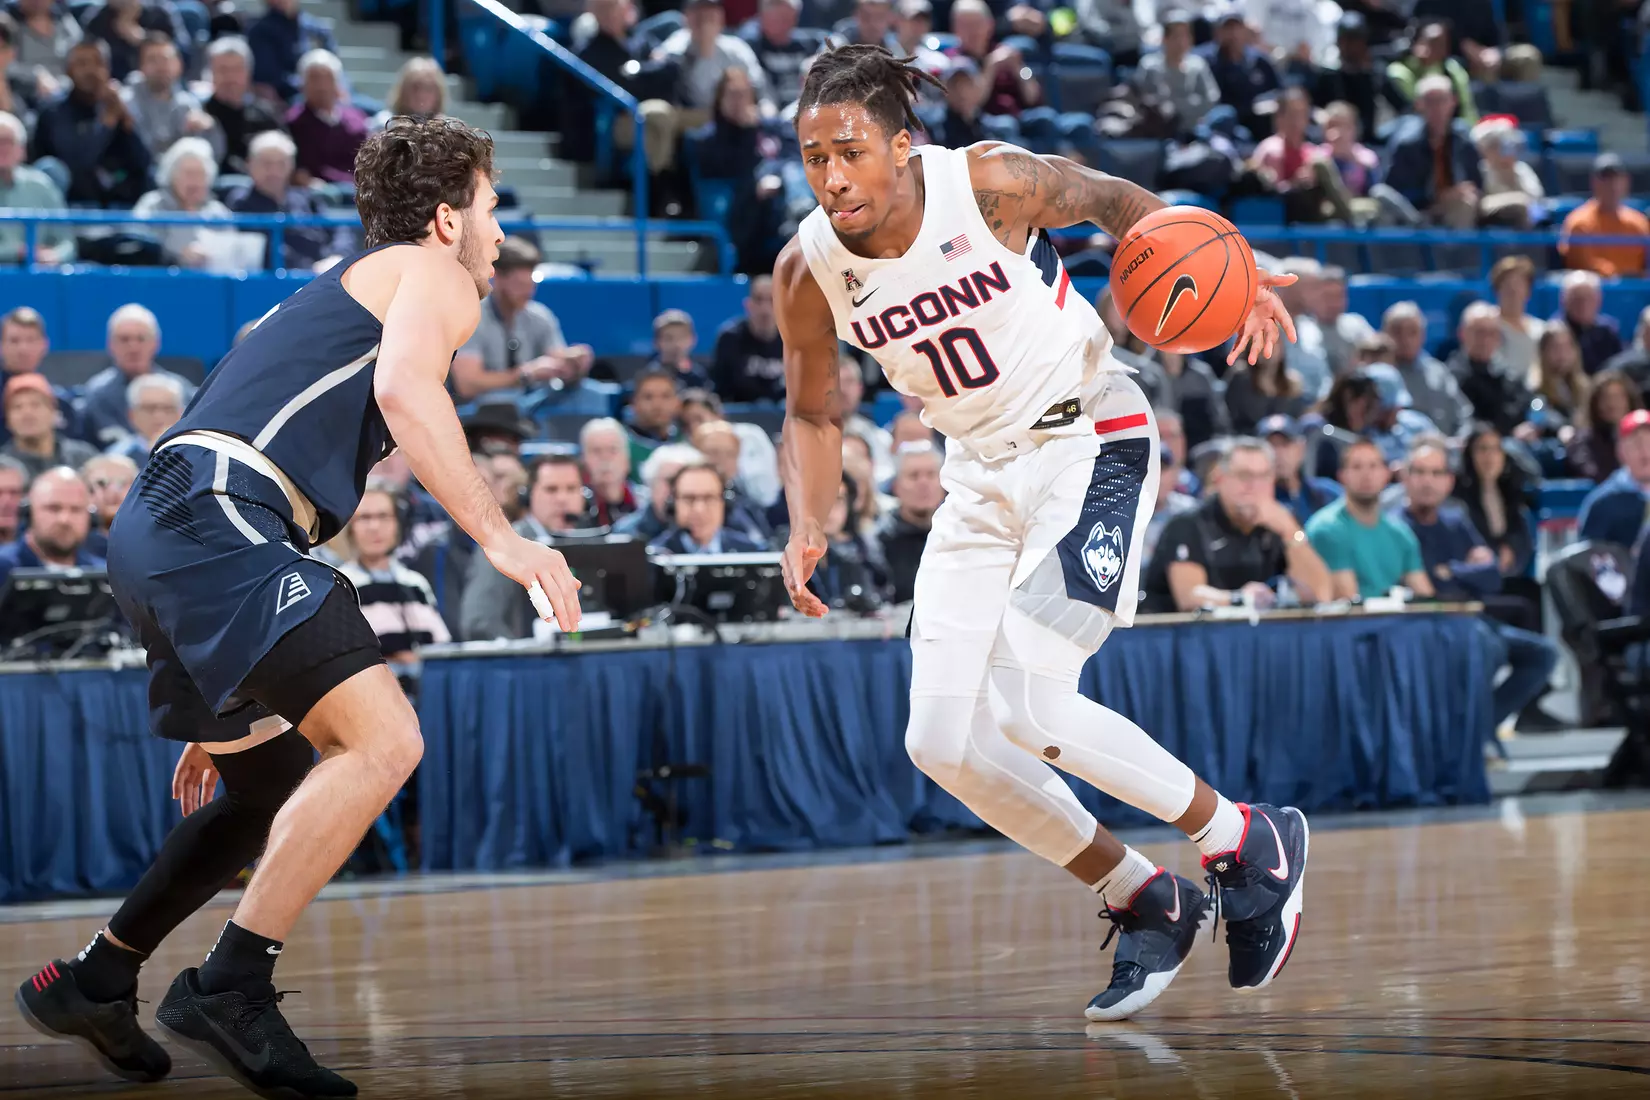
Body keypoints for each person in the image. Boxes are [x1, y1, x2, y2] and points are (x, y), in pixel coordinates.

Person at [13, 116, 581, 1098]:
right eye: (492, 208)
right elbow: (408, 391)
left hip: (170, 529)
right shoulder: (429, 272)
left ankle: (98, 976)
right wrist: (503, 534)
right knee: (386, 741)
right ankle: (233, 981)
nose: (497, 231)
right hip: (218, 516)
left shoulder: (332, 292)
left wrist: (235, 655)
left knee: (263, 784)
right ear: (447, 218)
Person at [773, 44, 1307, 1023]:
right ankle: (1144, 891)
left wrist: (1233, 274)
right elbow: (812, 411)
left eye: (848, 151)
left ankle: (1244, 836)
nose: (831, 175)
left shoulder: (990, 182)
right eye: (812, 157)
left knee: (1026, 699)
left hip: (1088, 436)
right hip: (977, 475)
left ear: (902, 143)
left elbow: (1112, 200)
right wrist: (808, 519)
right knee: (939, 737)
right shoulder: (809, 268)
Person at [1397, 438, 1559, 731]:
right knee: (1488, 647)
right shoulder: (1397, 526)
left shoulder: (1455, 520)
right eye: (1419, 472)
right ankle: (1469, 736)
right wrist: (1464, 571)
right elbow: (1430, 585)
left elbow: (1492, 578)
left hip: (1472, 618)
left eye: (1436, 474)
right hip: (1428, 625)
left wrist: (1451, 572)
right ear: (1404, 477)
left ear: (1449, 481)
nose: (1427, 482)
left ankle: (1478, 731)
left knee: (1543, 654)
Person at [1141, 437, 1331, 614]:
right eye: (1244, 475)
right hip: (1183, 639)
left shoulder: (1280, 523)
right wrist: (1241, 598)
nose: (1253, 486)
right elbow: (1189, 596)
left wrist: (1291, 532)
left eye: (1263, 476)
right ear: (1220, 478)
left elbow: (1321, 594)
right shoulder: (1188, 524)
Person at [1306, 438, 1433, 600]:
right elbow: (1347, 601)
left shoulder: (1400, 533)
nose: (1366, 475)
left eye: (1373, 466)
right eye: (1357, 467)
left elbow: (1425, 596)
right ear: (1342, 476)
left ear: (1386, 474)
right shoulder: (1327, 529)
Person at [0, 465, 103, 586]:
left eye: (76, 510)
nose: (64, 520)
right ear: (28, 512)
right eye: (53, 508)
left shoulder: (105, 576)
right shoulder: (3, 567)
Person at [1560, 153, 1649, 278]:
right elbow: (1583, 267)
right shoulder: (1579, 222)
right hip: (1596, 293)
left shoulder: (1639, 223)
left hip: (1634, 293)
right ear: (1594, 182)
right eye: (1605, 178)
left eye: (1616, 178)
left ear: (1626, 182)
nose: (1612, 185)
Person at [648, 459, 767, 553]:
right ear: (673, 504)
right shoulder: (655, 558)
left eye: (709, 498)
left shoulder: (752, 553)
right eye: (689, 499)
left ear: (724, 503)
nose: (699, 509)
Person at [874, 438, 939, 602]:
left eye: (931, 475)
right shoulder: (879, 543)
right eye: (913, 476)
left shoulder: (960, 535)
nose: (923, 483)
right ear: (895, 486)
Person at [1, 373, 98, 479]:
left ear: (54, 412)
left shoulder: (83, 459)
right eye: (17, 407)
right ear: (8, 419)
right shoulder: (3, 466)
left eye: (35, 405)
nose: (27, 413)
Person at [1578, 409, 1650, 548]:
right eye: (1636, 444)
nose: (1645, 452)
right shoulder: (1603, 502)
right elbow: (1589, 558)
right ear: (1620, 451)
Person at [711, 273, 786, 403]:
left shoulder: (794, 340)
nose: (765, 309)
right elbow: (719, 393)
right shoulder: (730, 338)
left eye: (772, 300)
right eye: (758, 299)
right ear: (748, 304)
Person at [1260, 413, 1341, 525]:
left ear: (1300, 449)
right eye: (1271, 445)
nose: (1278, 453)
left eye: (1285, 444)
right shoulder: (1257, 501)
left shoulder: (1326, 492)